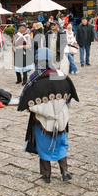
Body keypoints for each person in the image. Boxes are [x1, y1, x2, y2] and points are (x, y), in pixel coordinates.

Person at [18, 47, 79, 183]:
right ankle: (64, 171)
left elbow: (26, 101)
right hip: (60, 118)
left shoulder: (34, 78)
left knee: (44, 145)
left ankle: (46, 174)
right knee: (61, 143)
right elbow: (69, 97)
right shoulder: (61, 74)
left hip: (42, 120)